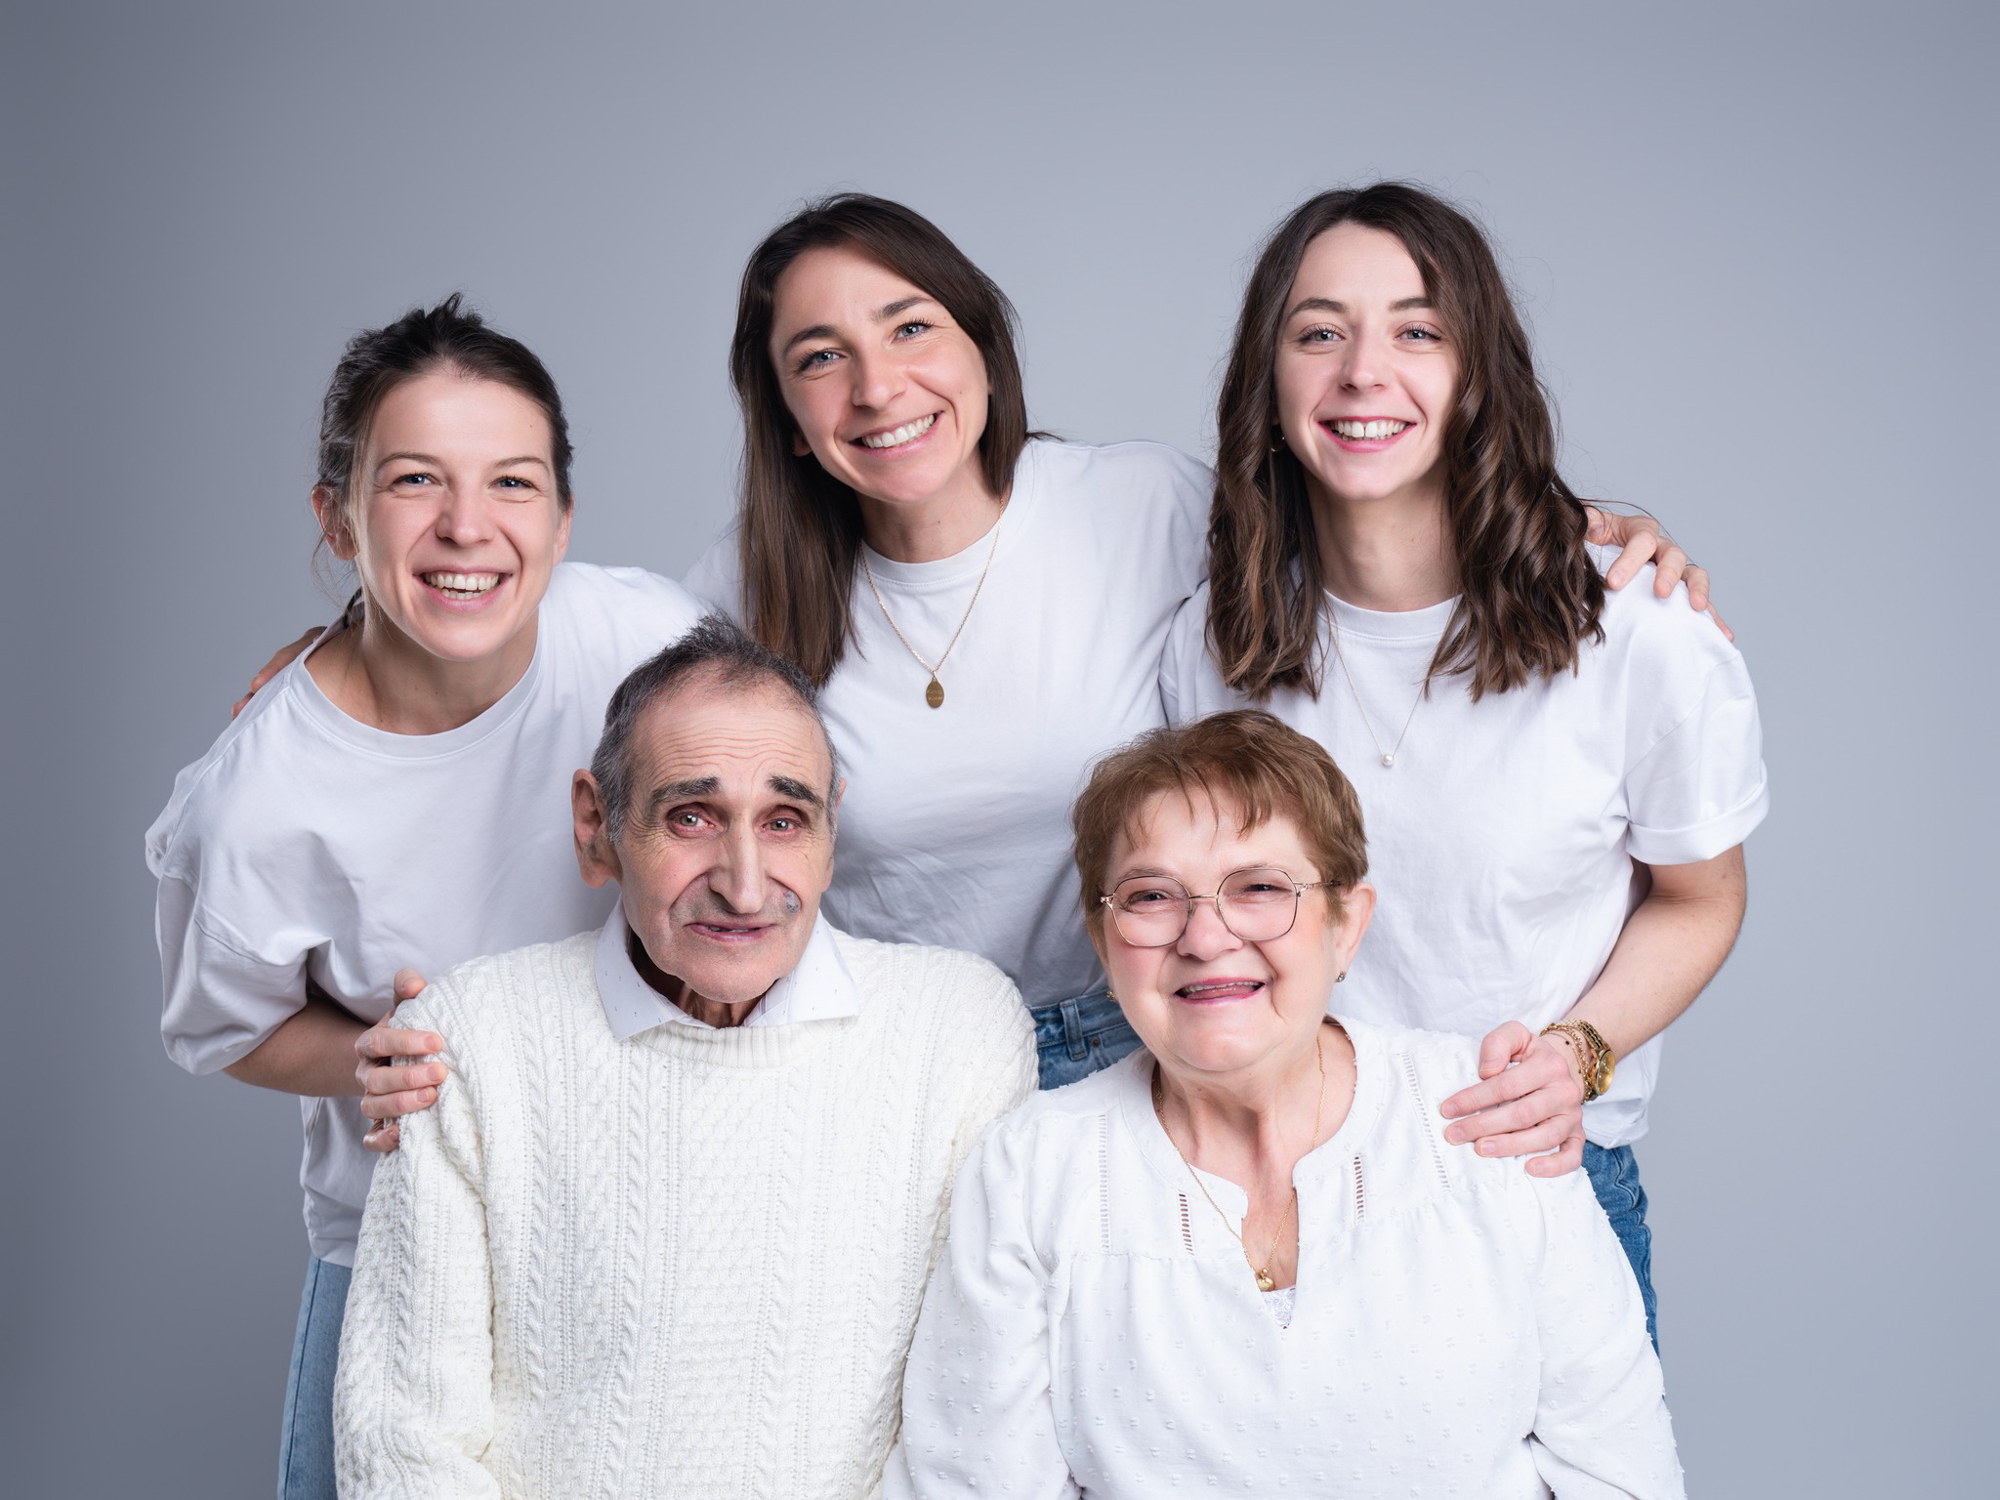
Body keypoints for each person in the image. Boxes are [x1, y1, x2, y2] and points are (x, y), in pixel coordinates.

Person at [682, 191, 1707, 1090]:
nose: (876, 386)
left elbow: (1356, 489)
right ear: (781, 414)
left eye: (910, 328)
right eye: (819, 358)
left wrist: (1583, 527)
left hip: (1143, 1050)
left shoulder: (1143, 506)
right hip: (888, 1065)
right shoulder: (739, 593)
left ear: (982, 352)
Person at [1162, 182, 1768, 1341]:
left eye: (1416, 330)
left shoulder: (1639, 630)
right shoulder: (1210, 647)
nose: (1361, 371)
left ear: (1475, 370)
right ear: (1269, 379)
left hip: (1537, 1182)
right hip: (1288, 1193)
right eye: (1318, 331)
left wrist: (1575, 1056)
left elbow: (1700, 899)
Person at [145, 297, 706, 1500]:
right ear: (337, 522)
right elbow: (225, 1028)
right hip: (407, 1251)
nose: (467, 527)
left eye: (512, 482)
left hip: (645, 1227)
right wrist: (369, 1061)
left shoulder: (647, 645)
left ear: (559, 519)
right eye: (413, 481)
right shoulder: (254, 799)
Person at [888, 711, 1682, 1499]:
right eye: (1152, 896)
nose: (1205, 937)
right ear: (1103, 943)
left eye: (1260, 888)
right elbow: (969, 1486)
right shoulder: (1031, 1172)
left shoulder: (1490, 1113)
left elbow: (1623, 1476)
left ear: (1347, 925)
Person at [333, 618, 1036, 1499]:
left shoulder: (961, 1031)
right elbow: (404, 1441)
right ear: (597, 826)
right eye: (691, 816)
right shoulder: (471, 1040)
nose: (744, 884)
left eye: (784, 820)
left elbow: (980, 1425)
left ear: (830, 835)